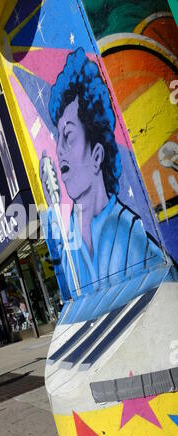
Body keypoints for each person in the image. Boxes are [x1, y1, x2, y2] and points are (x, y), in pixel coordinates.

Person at [40, 47, 168, 300]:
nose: (59, 151)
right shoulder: (70, 241)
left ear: (97, 155)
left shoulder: (132, 237)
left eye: (68, 137)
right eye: (58, 138)